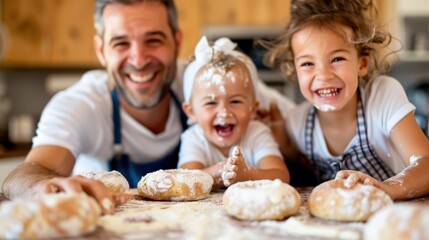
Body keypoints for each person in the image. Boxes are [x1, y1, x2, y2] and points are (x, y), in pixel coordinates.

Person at [2, 0, 295, 214]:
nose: (139, 60)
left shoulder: (209, 81)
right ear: (100, 50)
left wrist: (284, 143)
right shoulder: (82, 103)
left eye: (153, 40)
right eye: (120, 43)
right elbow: (27, 174)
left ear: (177, 42)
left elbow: (308, 126)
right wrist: (42, 186)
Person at [264, 0, 429, 200]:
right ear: (294, 69)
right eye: (308, 63)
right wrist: (285, 146)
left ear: (362, 63)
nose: (323, 75)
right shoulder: (297, 122)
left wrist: (386, 189)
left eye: (337, 59)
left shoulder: (382, 96)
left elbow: (425, 163)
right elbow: (300, 172)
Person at [178, 36, 290, 188]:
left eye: (235, 101)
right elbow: (185, 181)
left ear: (253, 109)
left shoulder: (256, 133)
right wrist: (219, 173)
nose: (224, 112)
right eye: (211, 103)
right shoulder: (194, 138)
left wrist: (247, 175)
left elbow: (281, 176)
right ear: (191, 112)